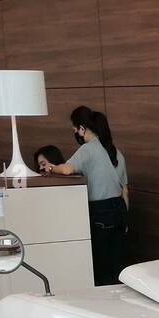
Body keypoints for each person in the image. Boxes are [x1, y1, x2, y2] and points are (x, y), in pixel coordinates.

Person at [47, 106, 129, 285]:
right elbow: (125, 190)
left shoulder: (87, 150)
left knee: (101, 264)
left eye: (76, 129)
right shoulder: (115, 151)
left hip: (100, 212)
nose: (76, 132)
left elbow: (67, 170)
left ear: (83, 128)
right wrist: (126, 218)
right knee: (118, 263)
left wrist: (51, 167)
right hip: (119, 210)